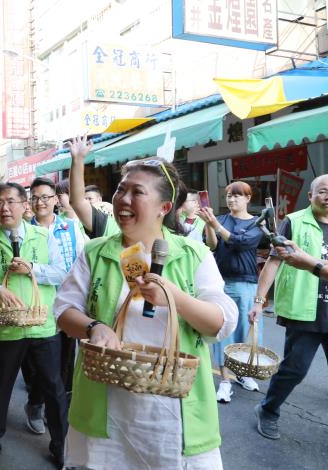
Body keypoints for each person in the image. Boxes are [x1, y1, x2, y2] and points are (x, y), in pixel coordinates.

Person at [55, 157, 238, 469]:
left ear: (164, 208)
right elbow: (64, 311)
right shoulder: (96, 252)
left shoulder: (193, 254)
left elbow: (221, 322)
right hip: (106, 410)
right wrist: (94, 327)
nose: (123, 199)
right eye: (120, 190)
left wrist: (174, 296)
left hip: (173, 415)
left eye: (136, 192)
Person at [0, 182, 69, 466]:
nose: (4, 207)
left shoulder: (43, 237)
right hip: (5, 328)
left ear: (26, 205)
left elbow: (61, 272)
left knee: (54, 387)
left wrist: (33, 269)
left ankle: (60, 444)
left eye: (10, 201)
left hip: (42, 325)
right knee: (0, 384)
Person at [250, 174, 328, 440]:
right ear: (311, 195)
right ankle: (268, 410)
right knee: (295, 369)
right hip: (304, 309)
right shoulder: (293, 221)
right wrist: (260, 301)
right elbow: (273, 262)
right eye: (323, 191)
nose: (327, 196)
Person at [22, 176, 88, 435]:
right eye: (35, 197)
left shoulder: (71, 227)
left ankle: (53, 410)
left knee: (62, 364)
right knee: (43, 365)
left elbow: (83, 264)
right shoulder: (23, 231)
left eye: (46, 197)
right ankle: (37, 405)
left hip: (69, 306)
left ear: (56, 200)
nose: (41, 202)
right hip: (36, 307)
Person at [198, 181, 265, 402]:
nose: (231, 199)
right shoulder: (220, 219)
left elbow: (239, 243)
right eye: (228, 195)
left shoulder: (257, 224)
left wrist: (214, 223)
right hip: (222, 282)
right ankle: (225, 381)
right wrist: (209, 225)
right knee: (223, 331)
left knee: (245, 332)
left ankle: (243, 374)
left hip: (246, 282)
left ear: (248, 198)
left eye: (237, 195)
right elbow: (212, 245)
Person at [67, 136, 119, 239]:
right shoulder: (106, 225)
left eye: (138, 192)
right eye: (121, 190)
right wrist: (78, 159)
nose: (126, 198)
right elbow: (77, 201)